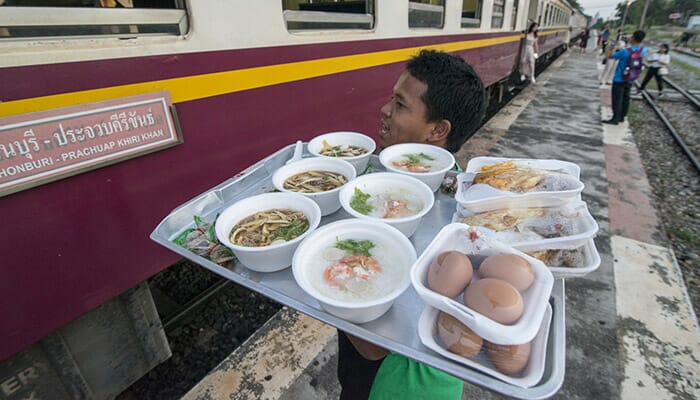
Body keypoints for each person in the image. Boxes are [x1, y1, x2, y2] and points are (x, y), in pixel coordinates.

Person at [342, 49, 486, 400]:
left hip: (394, 384)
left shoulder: (451, 228)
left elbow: (374, 345)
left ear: (437, 131)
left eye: (400, 104)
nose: (385, 110)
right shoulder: (454, 190)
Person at [603, 30, 647, 125]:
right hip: (631, 77)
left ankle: (615, 118)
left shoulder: (625, 52)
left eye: (631, 36)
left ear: (633, 38)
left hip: (620, 78)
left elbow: (610, 56)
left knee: (617, 99)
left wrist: (613, 48)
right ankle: (622, 117)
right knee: (626, 98)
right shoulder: (643, 50)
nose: (629, 37)